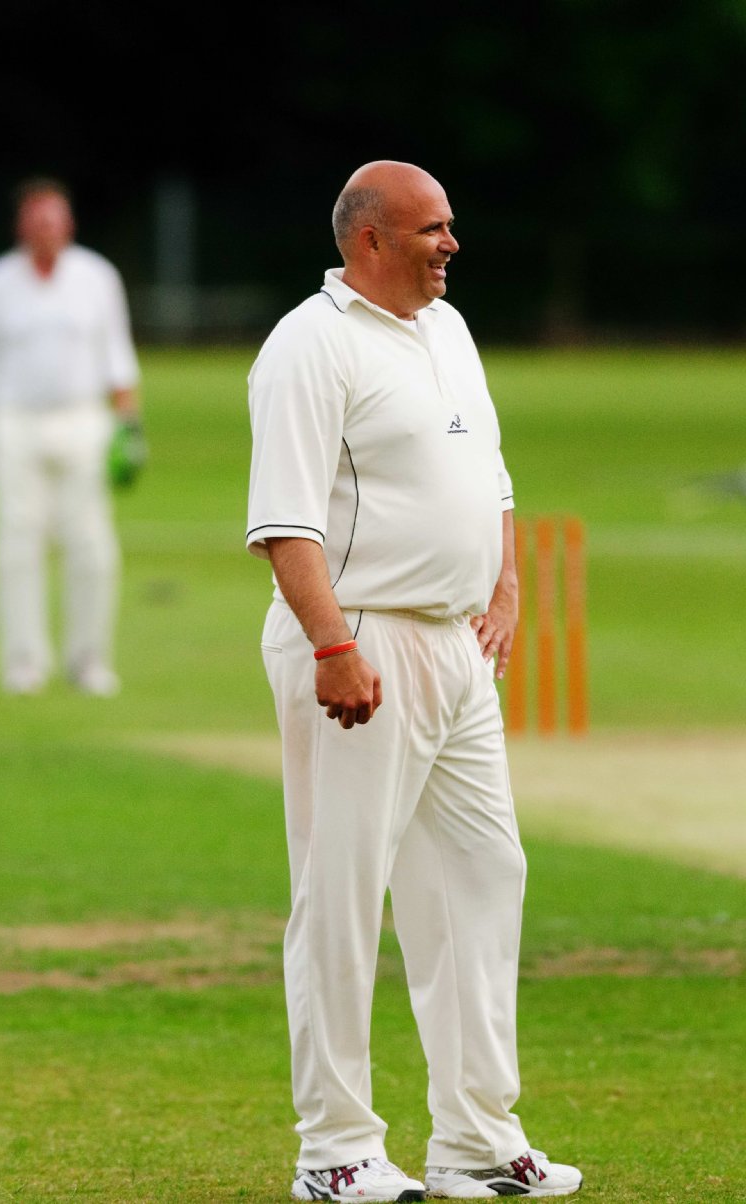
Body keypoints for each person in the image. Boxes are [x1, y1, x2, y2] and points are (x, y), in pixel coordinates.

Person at [246, 161, 583, 1202]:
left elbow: (492, 476)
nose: (450, 243)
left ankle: (476, 1140)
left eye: (449, 226)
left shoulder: (449, 328)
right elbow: (284, 521)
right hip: (358, 640)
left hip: (456, 647)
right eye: (431, 229)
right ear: (370, 241)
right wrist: (331, 647)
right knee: (341, 895)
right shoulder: (310, 343)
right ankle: (334, 1149)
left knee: (483, 878)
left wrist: (510, 586)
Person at [0, 176, 144, 696]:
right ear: (23, 226)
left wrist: (130, 426)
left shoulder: (96, 276)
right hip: (14, 422)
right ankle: (24, 661)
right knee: (17, 543)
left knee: (91, 545)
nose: (47, 230)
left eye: (55, 220)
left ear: (69, 225)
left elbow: (117, 355)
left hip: (82, 420)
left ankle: (89, 661)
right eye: (38, 221)